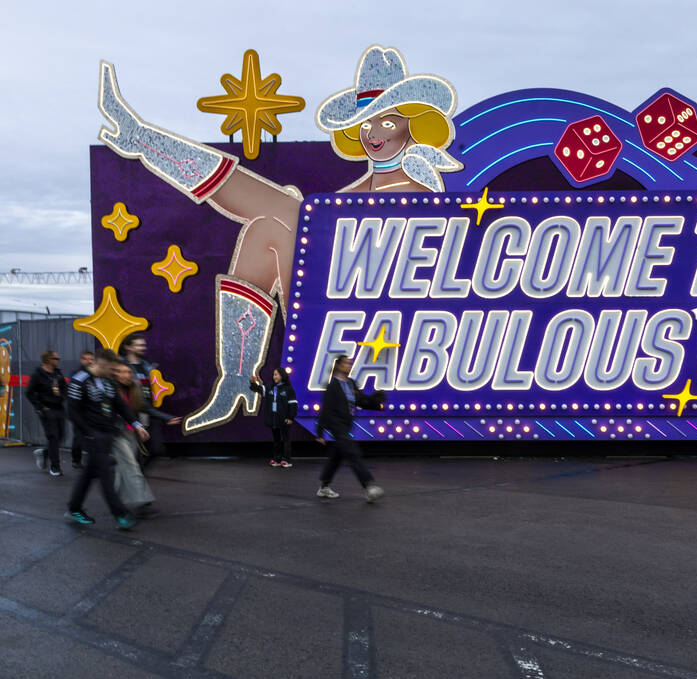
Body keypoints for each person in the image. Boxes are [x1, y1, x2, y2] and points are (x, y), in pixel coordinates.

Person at [98, 46, 462, 434]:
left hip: (369, 312)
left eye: (387, 123)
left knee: (282, 217)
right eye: (366, 123)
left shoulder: (415, 184)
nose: (373, 133)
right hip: (333, 302)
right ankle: (237, 382)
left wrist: (295, 208)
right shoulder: (363, 186)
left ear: (413, 125)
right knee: (269, 225)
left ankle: (144, 141)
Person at [66, 349, 149, 530]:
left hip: (107, 433)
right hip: (91, 436)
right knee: (106, 472)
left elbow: (120, 405)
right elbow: (72, 411)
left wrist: (136, 424)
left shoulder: (108, 382)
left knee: (89, 473)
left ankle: (74, 507)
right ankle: (120, 513)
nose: (115, 374)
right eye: (113, 369)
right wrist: (89, 433)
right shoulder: (79, 380)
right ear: (102, 364)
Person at [111, 363, 180, 516]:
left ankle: (115, 499)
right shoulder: (111, 390)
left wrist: (166, 418)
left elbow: (145, 408)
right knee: (131, 467)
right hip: (116, 434)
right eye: (121, 371)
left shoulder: (134, 389)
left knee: (126, 469)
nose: (126, 375)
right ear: (115, 374)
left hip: (131, 433)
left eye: (128, 372)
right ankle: (141, 502)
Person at [315, 356, 385, 502]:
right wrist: (320, 432)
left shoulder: (351, 383)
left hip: (346, 425)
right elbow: (326, 410)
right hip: (336, 424)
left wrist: (376, 402)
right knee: (352, 451)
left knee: (338, 455)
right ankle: (368, 486)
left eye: (350, 364)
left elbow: (360, 400)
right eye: (346, 363)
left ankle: (324, 486)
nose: (349, 366)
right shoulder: (333, 386)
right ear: (339, 365)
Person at [119, 334, 165, 464]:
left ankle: (138, 473)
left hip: (148, 409)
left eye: (143, 345)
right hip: (131, 410)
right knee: (134, 450)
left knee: (156, 448)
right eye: (138, 345)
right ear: (128, 347)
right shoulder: (122, 366)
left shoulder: (146, 365)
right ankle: (134, 476)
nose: (142, 347)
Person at [27, 350, 68, 476]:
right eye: (55, 358)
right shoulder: (37, 375)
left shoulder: (58, 374)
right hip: (47, 410)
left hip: (59, 408)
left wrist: (63, 396)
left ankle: (44, 453)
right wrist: (39, 406)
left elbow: (64, 388)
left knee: (61, 436)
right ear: (48, 360)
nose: (58, 360)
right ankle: (55, 467)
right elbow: (29, 392)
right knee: (53, 436)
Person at [250, 368, 298, 467]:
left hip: (284, 419)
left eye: (276, 374)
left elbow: (293, 404)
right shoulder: (270, 388)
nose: (274, 377)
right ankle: (277, 459)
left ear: (282, 375)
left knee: (286, 439)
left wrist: (290, 417)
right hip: (274, 419)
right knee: (276, 439)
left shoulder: (288, 389)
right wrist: (253, 382)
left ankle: (286, 460)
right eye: (273, 375)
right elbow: (258, 389)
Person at [69, 351, 95, 469]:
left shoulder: (95, 374)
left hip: (91, 411)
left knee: (91, 436)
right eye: (86, 359)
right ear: (81, 360)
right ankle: (76, 460)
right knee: (79, 436)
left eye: (91, 359)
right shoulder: (76, 374)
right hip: (79, 411)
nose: (89, 361)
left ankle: (92, 462)